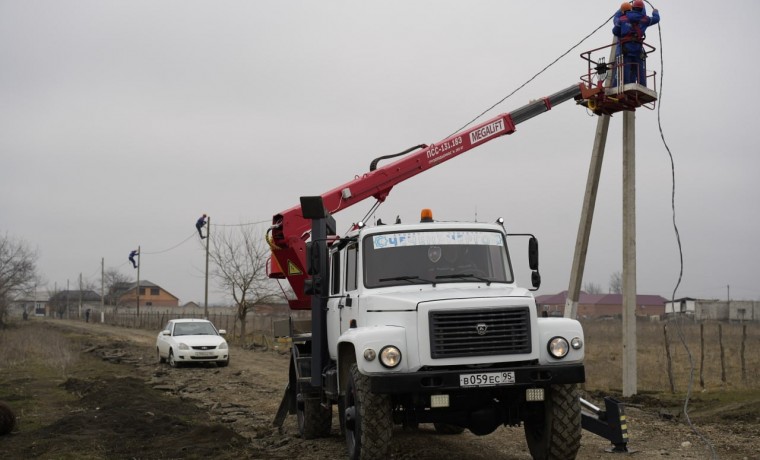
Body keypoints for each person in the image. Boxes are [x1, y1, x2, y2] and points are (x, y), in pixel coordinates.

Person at [612, 0, 660, 86]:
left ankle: (626, 86)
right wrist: (655, 12)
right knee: (639, 68)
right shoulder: (645, 19)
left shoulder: (622, 18)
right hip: (638, 48)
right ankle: (642, 86)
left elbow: (615, 31)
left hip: (625, 48)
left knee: (626, 67)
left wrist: (620, 11)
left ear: (632, 8)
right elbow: (656, 19)